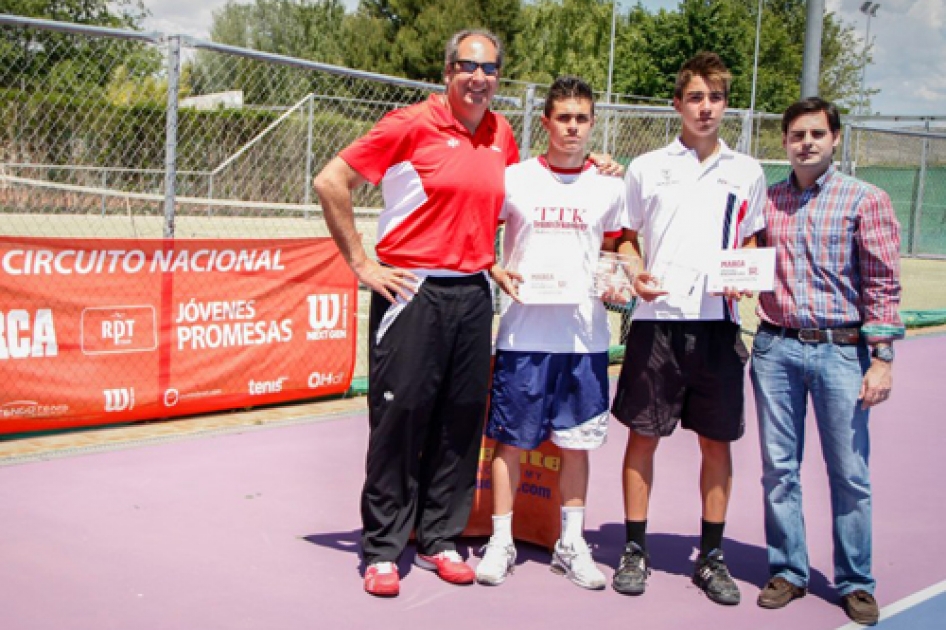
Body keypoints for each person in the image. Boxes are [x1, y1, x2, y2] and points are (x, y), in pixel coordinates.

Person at [313, 29, 519, 598]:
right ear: (447, 71)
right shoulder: (409, 125)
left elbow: (506, 202)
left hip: (474, 296)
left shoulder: (503, 133)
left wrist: (493, 261)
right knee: (399, 422)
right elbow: (331, 182)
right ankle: (381, 547)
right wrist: (362, 264)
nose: (479, 78)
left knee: (459, 421)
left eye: (490, 68)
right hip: (411, 293)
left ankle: (438, 538)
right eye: (468, 66)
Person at [609, 51, 767, 605]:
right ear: (677, 104)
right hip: (657, 326)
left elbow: (750, 244)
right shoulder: (647, 167)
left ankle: (713, 556)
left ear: (726, 106)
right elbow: (623, 236)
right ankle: (634, 548)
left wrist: (743, 277)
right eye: (695, 97)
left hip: (719, 330)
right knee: (642, 437)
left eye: (716, 97)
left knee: (717, 445)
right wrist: (635, 270)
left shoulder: (747, 172)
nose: (705, 107)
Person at [751, 97, 903, 626]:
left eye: (817, 133)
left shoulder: (866, 199)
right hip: (775, 348)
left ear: (835, 138)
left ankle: (855, 581)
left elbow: (884, 282)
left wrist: (881, 358)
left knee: (849, 473)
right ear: (785, 142)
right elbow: (742, 260)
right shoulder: (766, 201)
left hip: (842, 351)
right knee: (778, 470)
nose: (807, 142)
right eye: (797, 134)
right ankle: (788, 570)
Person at [473, 76, 628, 590]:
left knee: (577, 445)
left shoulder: (610, 187)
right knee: (510, 444)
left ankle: (571, 543)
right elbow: (480, 237)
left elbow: (619, 249)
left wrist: (627, 275)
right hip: (523, 338)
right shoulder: (515, 179)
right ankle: (501, 541)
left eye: (582, 118)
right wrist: (495, 269)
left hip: (584, 340)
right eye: (564, 118)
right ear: (546, 122)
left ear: (592, 124)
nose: (573, 127)